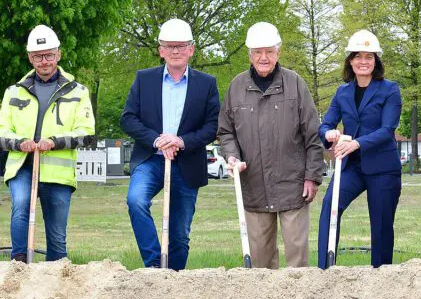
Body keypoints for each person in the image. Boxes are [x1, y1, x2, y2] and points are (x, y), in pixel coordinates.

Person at [218, 22, 324, 268]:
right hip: (253, 185)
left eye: (269, 51)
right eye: (258, 52)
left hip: (293, 186)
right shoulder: (236, 87)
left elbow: (313, 135)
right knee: (260, 265)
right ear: (250, 55)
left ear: (279, 52)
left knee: (297, 261)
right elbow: (226, 131)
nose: (263, 57)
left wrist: (312, 177)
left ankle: (298, 294)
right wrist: (232, 156)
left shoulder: (295, 84)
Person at [121, 18, 220, 270]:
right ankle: (155, 266)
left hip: (187, 164)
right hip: (151, 160)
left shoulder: (207, 84)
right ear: (161, 50)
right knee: (136, 201)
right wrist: (157, 140)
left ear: (191, 49)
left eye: (181, 46)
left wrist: (181, 141)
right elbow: (128, 119)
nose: (176, 51)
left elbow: (212, 127)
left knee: (179, 234)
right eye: (169, 46)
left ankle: (174, 279)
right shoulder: (144, 80)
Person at [0, 25, 95, 263]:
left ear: (58, 55)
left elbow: (86, 133)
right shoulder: (14, 92)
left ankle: (57, 271)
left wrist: (55, 142)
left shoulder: (78, 92)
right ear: (30, 58)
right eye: (38, 56)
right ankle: (19, 263)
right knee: (21, 206)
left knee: (57, 235)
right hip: (22, 166)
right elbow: (0, 131)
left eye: (49, 55)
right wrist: (20, 143)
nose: (44, 61)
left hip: (58, 173)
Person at [316, 30, 403, 268]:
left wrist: (356, 143)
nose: (363, 61)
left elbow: (387, 130)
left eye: (368, 57)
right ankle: (324, 269)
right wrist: (329, 134)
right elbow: (325, 124)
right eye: (357, 56)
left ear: (376, 61)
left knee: (381, 225)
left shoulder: (390, 90)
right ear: (350, 61)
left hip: (383, 169)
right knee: (330, 207)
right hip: (352, 167)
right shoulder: (342, 92)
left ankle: (381, 274)